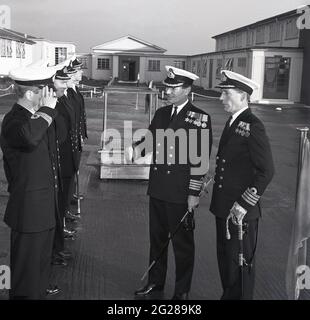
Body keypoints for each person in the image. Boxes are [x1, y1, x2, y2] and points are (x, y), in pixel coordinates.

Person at [129, 66, 212, 300]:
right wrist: (135, 150)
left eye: (174, 87)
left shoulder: (199, 118)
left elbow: (201, 159)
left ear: (187, 89)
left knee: (182, 246)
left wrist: (193, 194)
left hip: (180, 192)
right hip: (158, 188)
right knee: (156, 241)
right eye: (168, 86)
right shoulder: (162, 114)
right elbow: (151, 141)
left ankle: (182, 290)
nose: (169, 91)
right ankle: (155, 283)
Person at [209, 70, 275, 300]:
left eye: (226, 93)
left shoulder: (252, 125)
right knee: (227, 264)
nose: (221, 98)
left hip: (239, 213)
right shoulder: (233, 121)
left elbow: (267, 171)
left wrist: (243, 204)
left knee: (240, 268)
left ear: (242, 96)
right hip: (224, 208)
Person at [0, 66, 60, 299]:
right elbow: (29, 137)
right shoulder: (14, 120)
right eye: (43, 91)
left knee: (39, 273)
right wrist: (46, 110)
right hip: (28, 211)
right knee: (26, 278)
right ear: (29, 94)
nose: (48, 96)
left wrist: (44, 110)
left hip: (42, 209)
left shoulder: (34, 118)